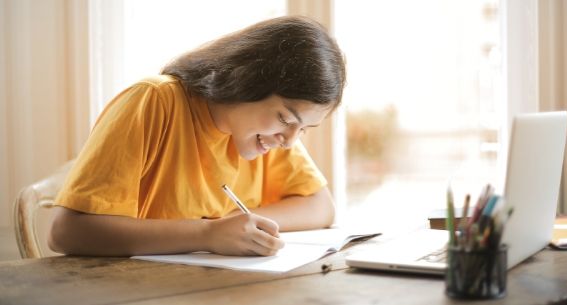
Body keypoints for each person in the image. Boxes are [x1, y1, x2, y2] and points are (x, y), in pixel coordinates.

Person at [48, 16, 346, 257]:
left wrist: (238, 224)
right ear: (246, 80)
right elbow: (66, 232)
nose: (290, 141)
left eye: (303, 129)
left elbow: (321, 206)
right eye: (285, 119)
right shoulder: (153, 101)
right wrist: (207, 234)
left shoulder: (268, 135)